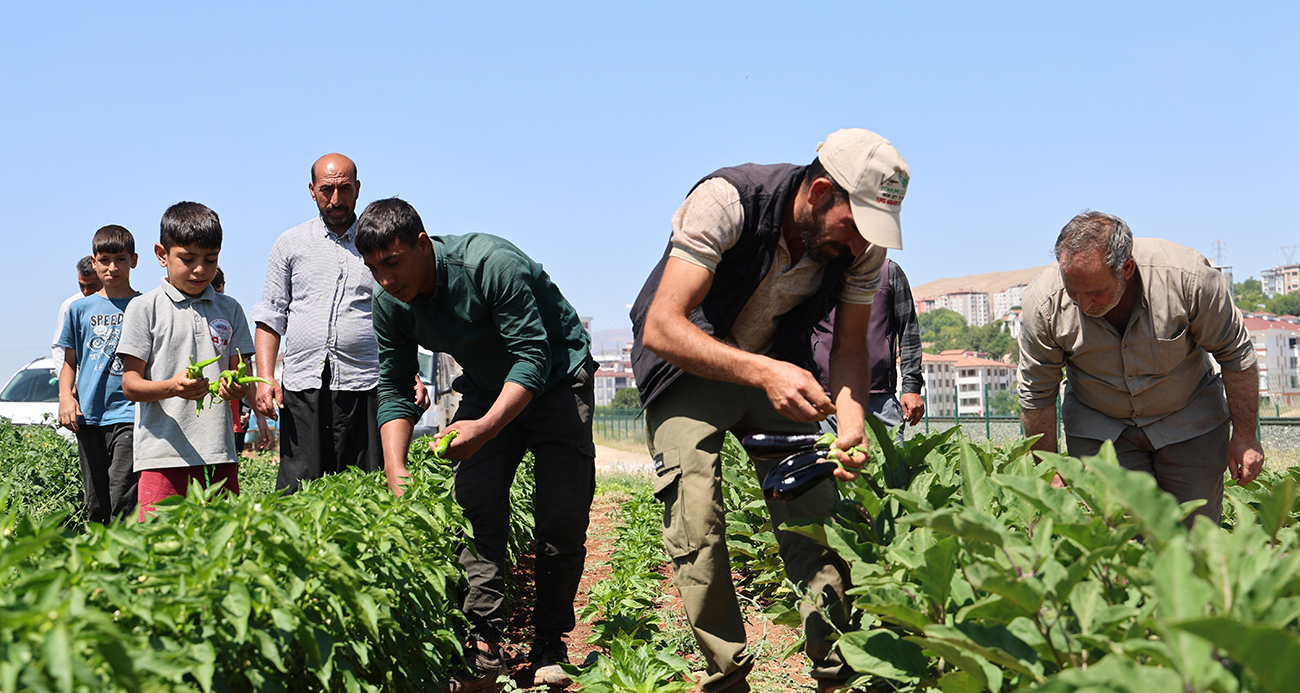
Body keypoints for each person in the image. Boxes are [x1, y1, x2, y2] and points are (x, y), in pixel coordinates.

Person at [630, 128, 910, 693]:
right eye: (852, 226)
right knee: (696, 516)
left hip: (779, 367)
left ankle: (836, 671)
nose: (858, 245)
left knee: (818, 510)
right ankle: (727, 676)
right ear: (820, 191)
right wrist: (760, 370)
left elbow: (852, 347)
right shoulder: (727, 201)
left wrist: (850, 430)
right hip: (690, 364)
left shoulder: (864, 247)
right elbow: (664, 324)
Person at [356, 197, 596, 689]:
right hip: (488, 384)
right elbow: (395, 386)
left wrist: (484, 428)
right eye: (374, 268)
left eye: (393, 263)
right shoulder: (390, 303)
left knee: (561, 515)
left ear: (422, 244)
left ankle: (549, 639)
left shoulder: (490, 265)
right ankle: (483, 640)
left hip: (556, 380)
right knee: (475, 506)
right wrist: (395, 471)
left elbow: (532, 357)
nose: (385, 279)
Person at [1018, 211, 1262, 526]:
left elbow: (1236, 355)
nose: (1084, 304)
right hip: (1101, 427)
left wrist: (1245, 436)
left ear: (1127, 269)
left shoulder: (1188, 278)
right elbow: (1037, 394)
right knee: (1122, 542)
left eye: (1095, 292)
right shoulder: (1043, 302)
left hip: (1189, 419)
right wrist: (1049, 469)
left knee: (1196, 537)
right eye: (1073, 291)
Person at [250, 154, 426, 494]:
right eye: (327, 189)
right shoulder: (290, 243)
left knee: (366, 487)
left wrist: (411, 373)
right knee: (298, 489)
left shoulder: (377, 244)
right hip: (303, 385)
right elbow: (271, 313)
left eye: (344, 189)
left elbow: (401, 311)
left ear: (357, 189)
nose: (335, 199)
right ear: (312, 190)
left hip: (366, 384)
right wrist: (266, 377)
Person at [119, 202, 255, 519]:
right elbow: (130, 385)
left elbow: (239, 374)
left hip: (218, 452)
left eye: (210, 260)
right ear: (161, 254)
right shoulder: (144, 308)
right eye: (188, 259)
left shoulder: (230, 308)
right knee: (160, 547)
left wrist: (236, 388)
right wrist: (172, 387)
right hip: (162, 455)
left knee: (223, 547)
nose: (199, 269)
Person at [56, 226, 141, 523]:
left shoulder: (145, 306)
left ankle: (129, 565)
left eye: (120, 259)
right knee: (95, 505)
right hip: (90, 416)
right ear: (94, 262)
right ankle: (99, 563)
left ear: (134, 260)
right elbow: (70, 361)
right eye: (104, 260)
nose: (112, 267)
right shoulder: (79, 309)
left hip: (131, 414)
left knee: (124, 497)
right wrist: (65, 396)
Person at [810, 258, 924, 442]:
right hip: (825, 400)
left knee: (891, 468)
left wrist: (911, 387)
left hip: (879, 399)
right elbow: (799, 332)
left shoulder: (889, 271)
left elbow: (908, 331)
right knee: (829, 468)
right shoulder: (814, 273)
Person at [212, 268, 272, 454]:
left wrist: (259, 415)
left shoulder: (230, 314)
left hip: (229, 417)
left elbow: (246, 374)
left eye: (219, 292)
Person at [52, 256, 103, 367]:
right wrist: (68, 380)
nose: (86, 291)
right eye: (81, 285)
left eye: (91, 286)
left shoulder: (118, 302)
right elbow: (59, 347)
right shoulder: (70, 306)